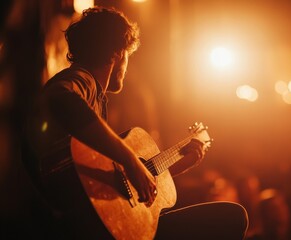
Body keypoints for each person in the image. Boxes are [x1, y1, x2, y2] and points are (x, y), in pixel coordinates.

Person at [25, 6, 247, 240]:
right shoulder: (83, 80)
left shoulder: (97, 100)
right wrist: (131, 160)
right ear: (117, 53)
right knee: (231, 217)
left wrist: (177, 164)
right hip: (82, 226)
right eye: (128, 55)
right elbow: (61, 98)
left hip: (105, 223)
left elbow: (119, 188)